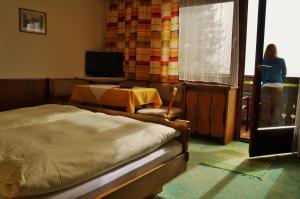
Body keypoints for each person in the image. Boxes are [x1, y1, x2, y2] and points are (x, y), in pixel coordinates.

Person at [260, 44, 287, 127]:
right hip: (278, 87)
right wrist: (280, 81)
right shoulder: (281, 60)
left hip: (266, 86)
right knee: (277, 109)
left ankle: (264, 128)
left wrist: (265, 79)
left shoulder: (263, 61)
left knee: (266, 109)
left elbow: (260, 76)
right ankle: (274, 129)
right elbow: (284, 73)